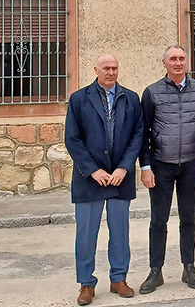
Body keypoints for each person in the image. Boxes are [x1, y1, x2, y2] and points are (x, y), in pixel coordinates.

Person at [64, 55, 144, 306]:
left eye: (114, 68)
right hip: (89, 179)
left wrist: (124, 168)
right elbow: (72, 139)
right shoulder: (79, 99)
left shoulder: (131, 98)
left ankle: (119, 279)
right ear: (96, 70)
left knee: (120, 232)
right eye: (106, 68)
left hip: (120, 178)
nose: (111, 72)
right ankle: (86, 283)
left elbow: (138, 135)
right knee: (86, 235)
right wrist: (93, 171)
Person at [138, 45, 195, 293]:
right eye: (173, 59)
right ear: (165, 63)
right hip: (160, 164)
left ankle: (188, 266)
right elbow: (143, 132)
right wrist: (145, 166)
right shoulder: (152, 92)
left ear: (187, 62)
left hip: (191, 163)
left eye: (182, 58)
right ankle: (155, 270)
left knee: (189, 218)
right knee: (158, 220)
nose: (178, 62)